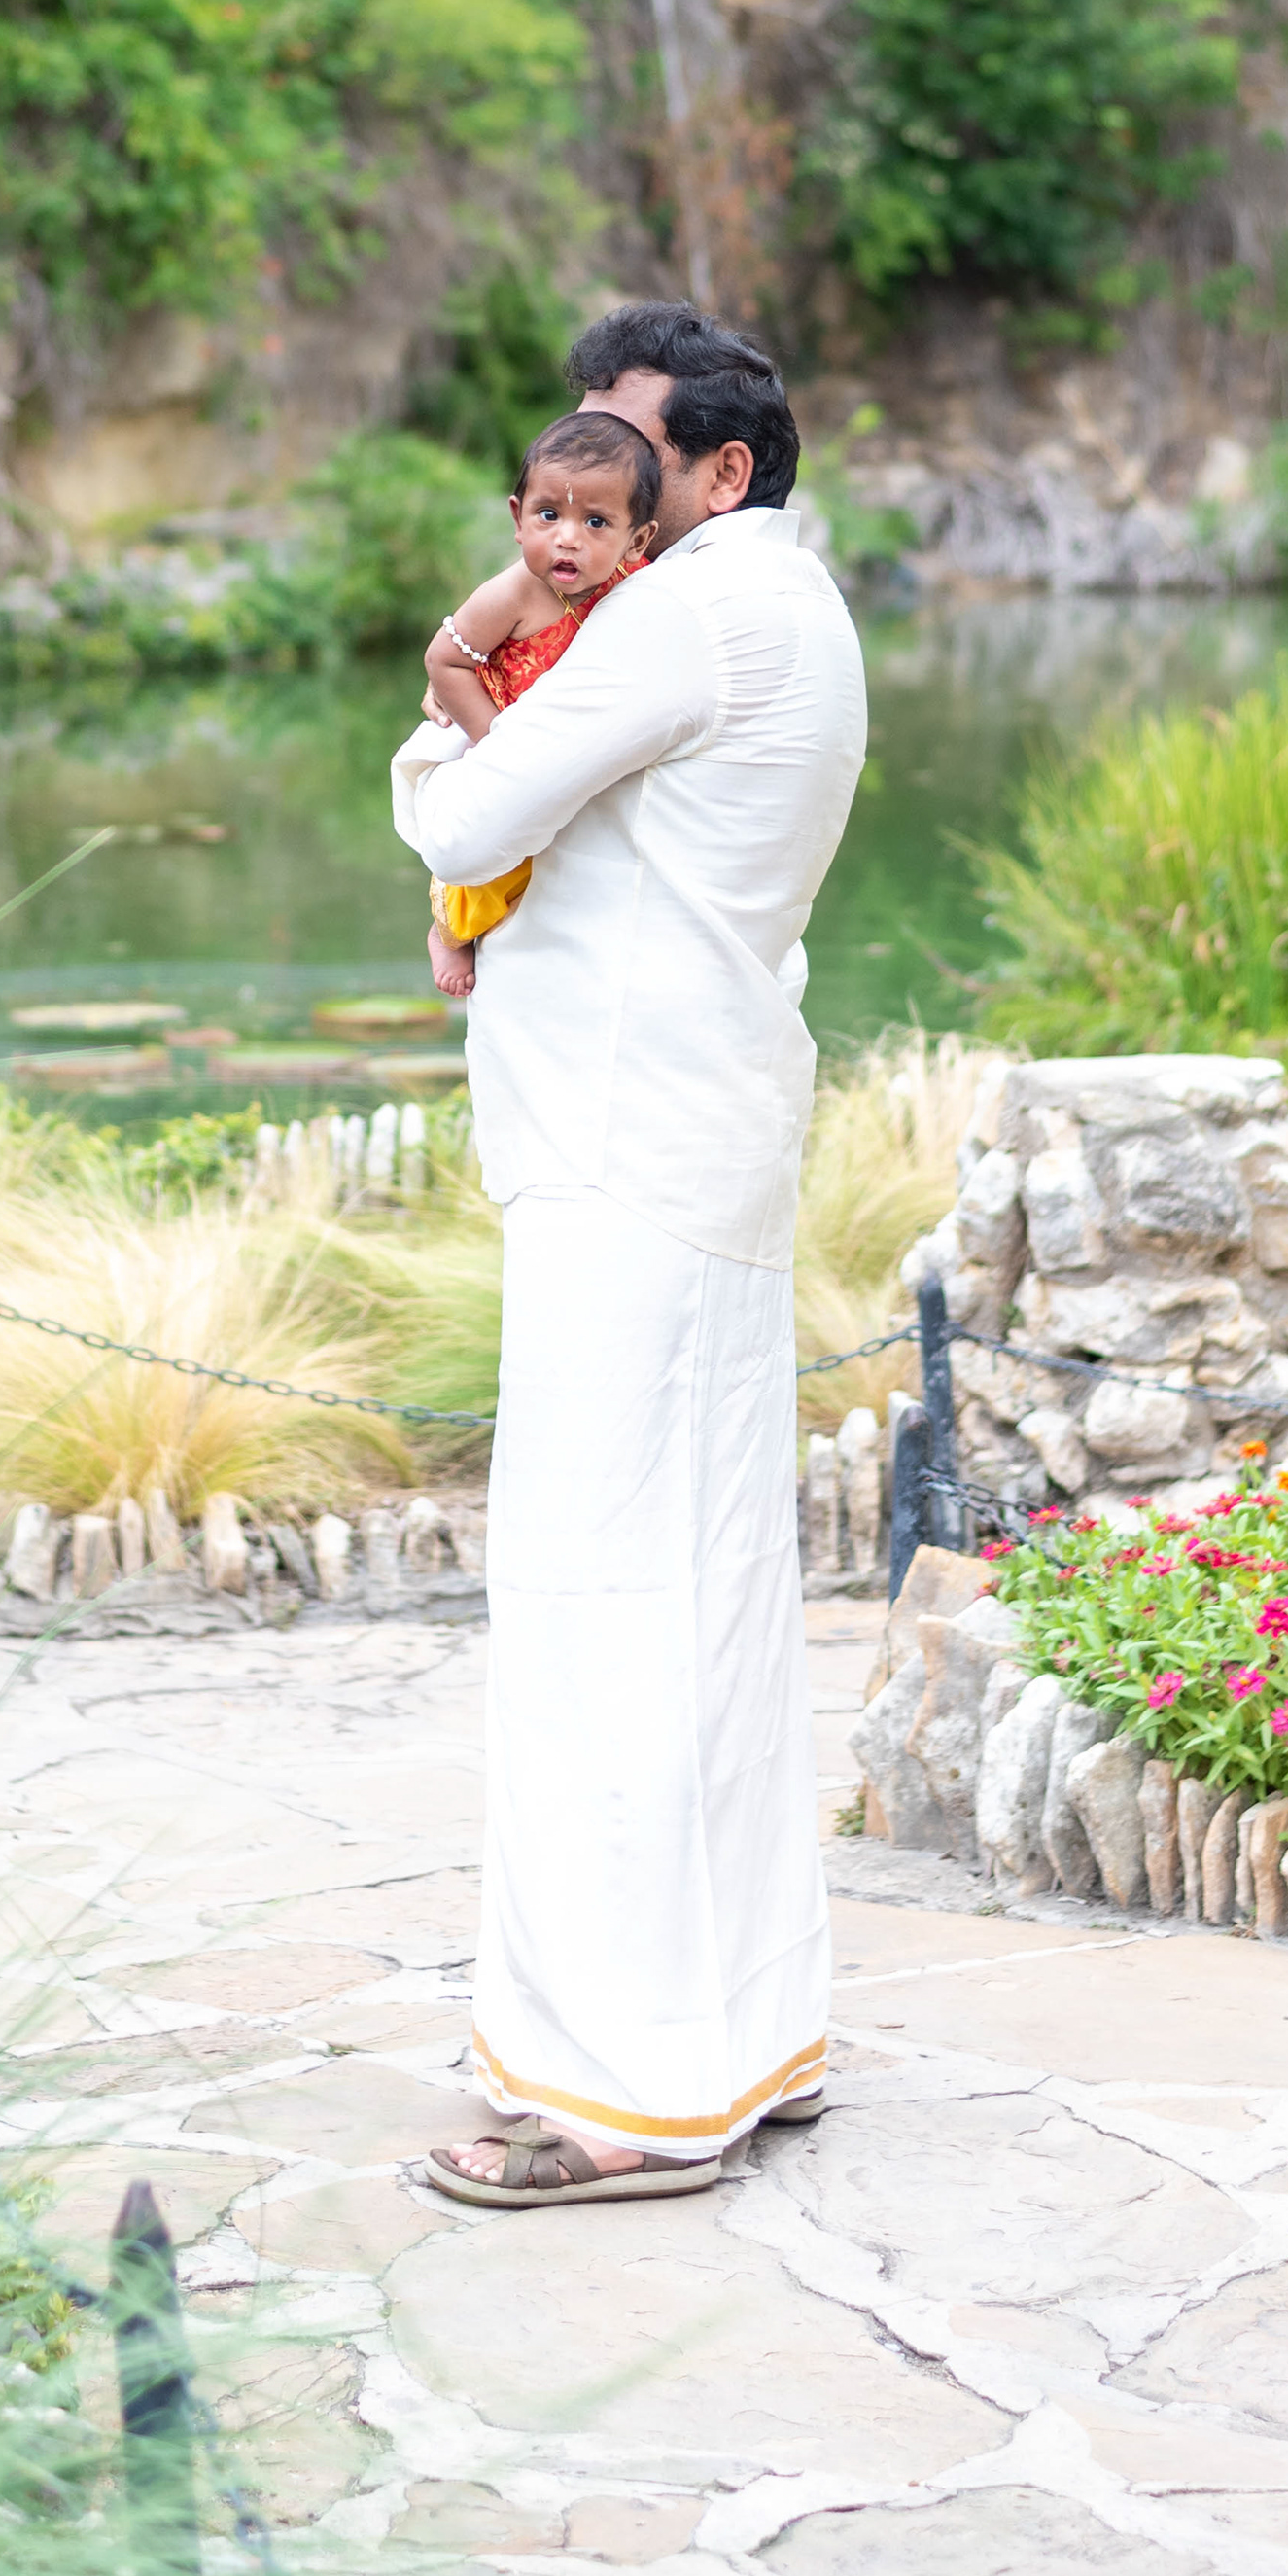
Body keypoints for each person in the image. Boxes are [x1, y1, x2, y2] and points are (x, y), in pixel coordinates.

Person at [392, 300, 867, 2207]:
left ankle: (620, 2097)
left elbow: (465, 815)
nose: (590, 482)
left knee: (599, 1603)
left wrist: (448, 708)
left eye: (629, 448)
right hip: (703, 1131)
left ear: (723, 470)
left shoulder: (680, 611)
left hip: (619, 1147)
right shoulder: (796, 600)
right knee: (713, 1592)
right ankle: (743, 2038)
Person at [423, 410, 659, 999]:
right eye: (548, 515)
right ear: (517, 518)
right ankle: (447, 931)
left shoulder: (641, 582)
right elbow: (444, 661)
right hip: (506, 734)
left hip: (575, 745)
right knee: (494, 862)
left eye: (596, 522)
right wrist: (495, 742)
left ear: (637, 540)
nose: (567, 538)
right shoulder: (512, 594)